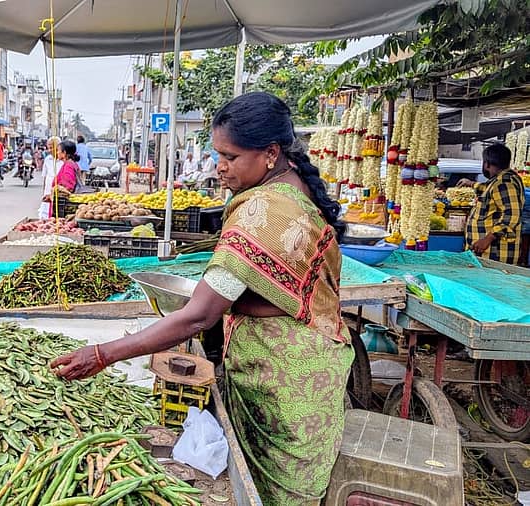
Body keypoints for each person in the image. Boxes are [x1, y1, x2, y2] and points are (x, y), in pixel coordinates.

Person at [52, 92, 353, 504]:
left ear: (270, 153)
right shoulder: (291, 186)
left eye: (230, 156)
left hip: (288, 382)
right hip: (307, 366)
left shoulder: (262, 211)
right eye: (217, 154)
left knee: (278, 494)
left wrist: (103, 354)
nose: (220, 167)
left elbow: (198, 317)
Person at [461, 144, 524, 264]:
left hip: (495, 253)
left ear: (487, 164)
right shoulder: (503, 179)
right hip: (488, 252)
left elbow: (512, 216)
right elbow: (488, 190)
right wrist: (471, 183)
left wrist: (487, 239)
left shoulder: (504, 183)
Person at [40, 136, 62, 205]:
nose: (49, 150)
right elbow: (45, 177)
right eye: (48, 148)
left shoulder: (63, 161)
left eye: (51, 148)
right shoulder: (47, 159)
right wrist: (44, 193)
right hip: (48, 193)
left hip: (59, 195)